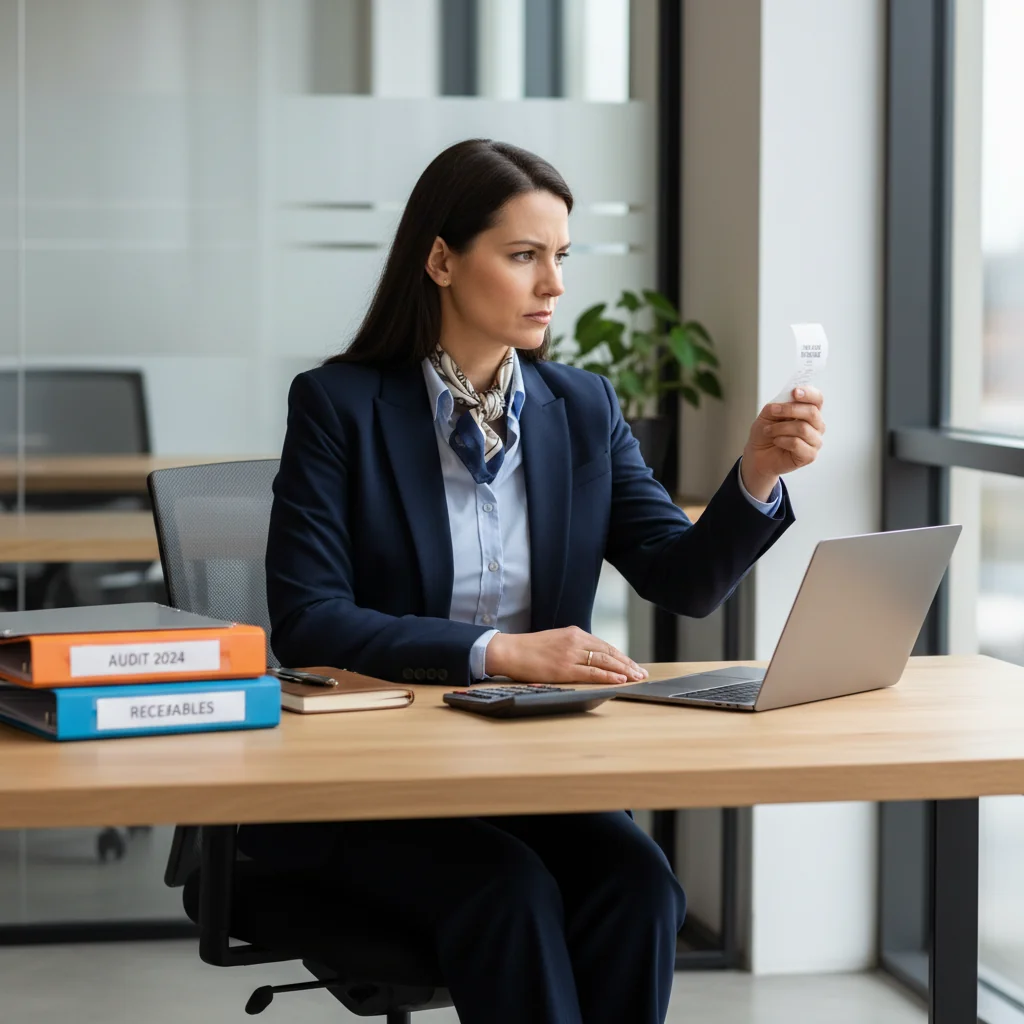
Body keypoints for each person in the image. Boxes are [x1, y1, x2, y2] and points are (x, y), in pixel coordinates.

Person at [247, 139, 825, 1024]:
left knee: (642, 886)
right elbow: (311, 623)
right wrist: (502, 651)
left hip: (529, 773)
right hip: (376, 782)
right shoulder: (339, 407)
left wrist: (752, 478)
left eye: (559, 256)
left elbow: (683, 581)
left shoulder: (581, 408)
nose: (552, 284)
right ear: (441, 260)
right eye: (524, 256)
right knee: (506, 894)